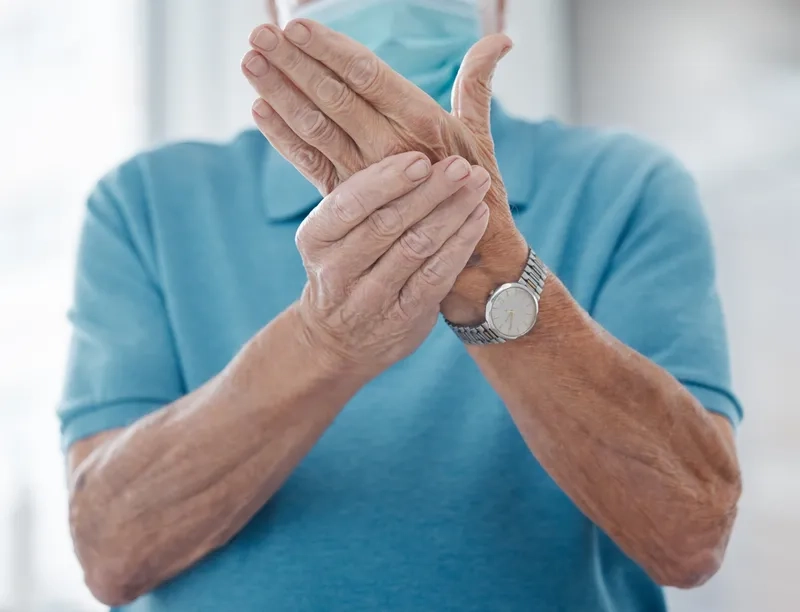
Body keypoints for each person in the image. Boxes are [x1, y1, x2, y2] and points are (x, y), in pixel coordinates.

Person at [60, 0, 743, 610]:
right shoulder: (146, 204)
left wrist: (492, 272)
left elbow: (691, 535)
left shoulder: (625, 187)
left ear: (500, 8)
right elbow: (110, 551)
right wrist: (324, 344)